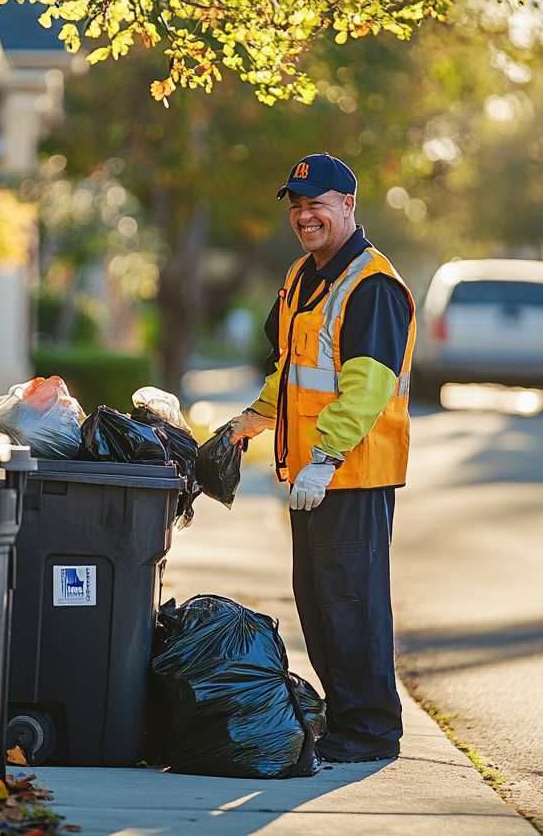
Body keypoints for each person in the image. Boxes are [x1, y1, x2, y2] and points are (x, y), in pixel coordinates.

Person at [224, 152, 416, 764]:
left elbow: (367, 386)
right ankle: (347, 719)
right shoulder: (303, 277)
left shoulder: (372, 285)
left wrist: (326, 456)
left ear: (348, 206)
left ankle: (370, 730)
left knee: (350, 601)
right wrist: (256, 417)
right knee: (317, 597)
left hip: (351, 474)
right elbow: (291, 367)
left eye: (318, 204)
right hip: (312, 475)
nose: (306, 216)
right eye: (298, 206)